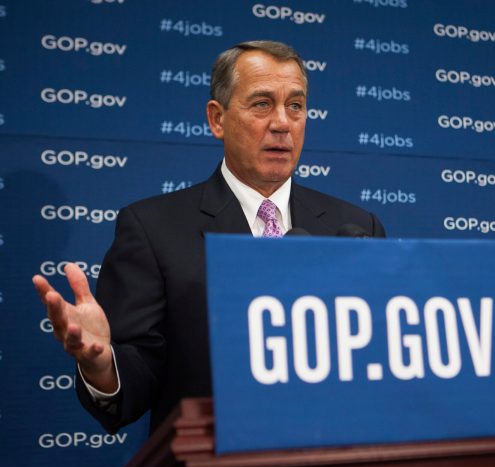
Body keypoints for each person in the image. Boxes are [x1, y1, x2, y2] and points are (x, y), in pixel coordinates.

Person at [32, 41, 386, 434]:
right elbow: (139, 376)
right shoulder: (153, 228)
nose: (283, 123)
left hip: (337, 464)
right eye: (262, 104)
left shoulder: (356, 228)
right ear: (217, 119)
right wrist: (102, 365)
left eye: (296, 106)